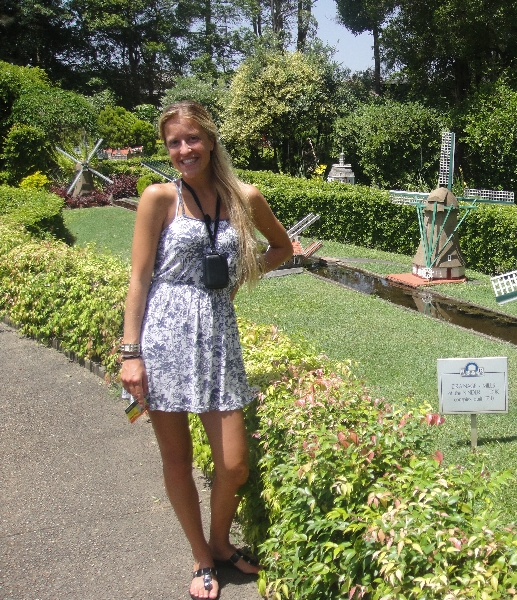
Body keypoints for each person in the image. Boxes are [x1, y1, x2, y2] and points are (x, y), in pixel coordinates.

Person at [119, 100, 293, 600]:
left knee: (233, 463)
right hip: (164, 339)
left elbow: (281, 246)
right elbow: (139, 278)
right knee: (177, 459)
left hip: (218, 339)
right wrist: (132, 355)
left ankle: (220, 543)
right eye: (174, 142)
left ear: (211, 140)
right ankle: (201, 558)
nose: (183, 149)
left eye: (191, 138)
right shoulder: (158, 198)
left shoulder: (243, 196)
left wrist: (233, 282)